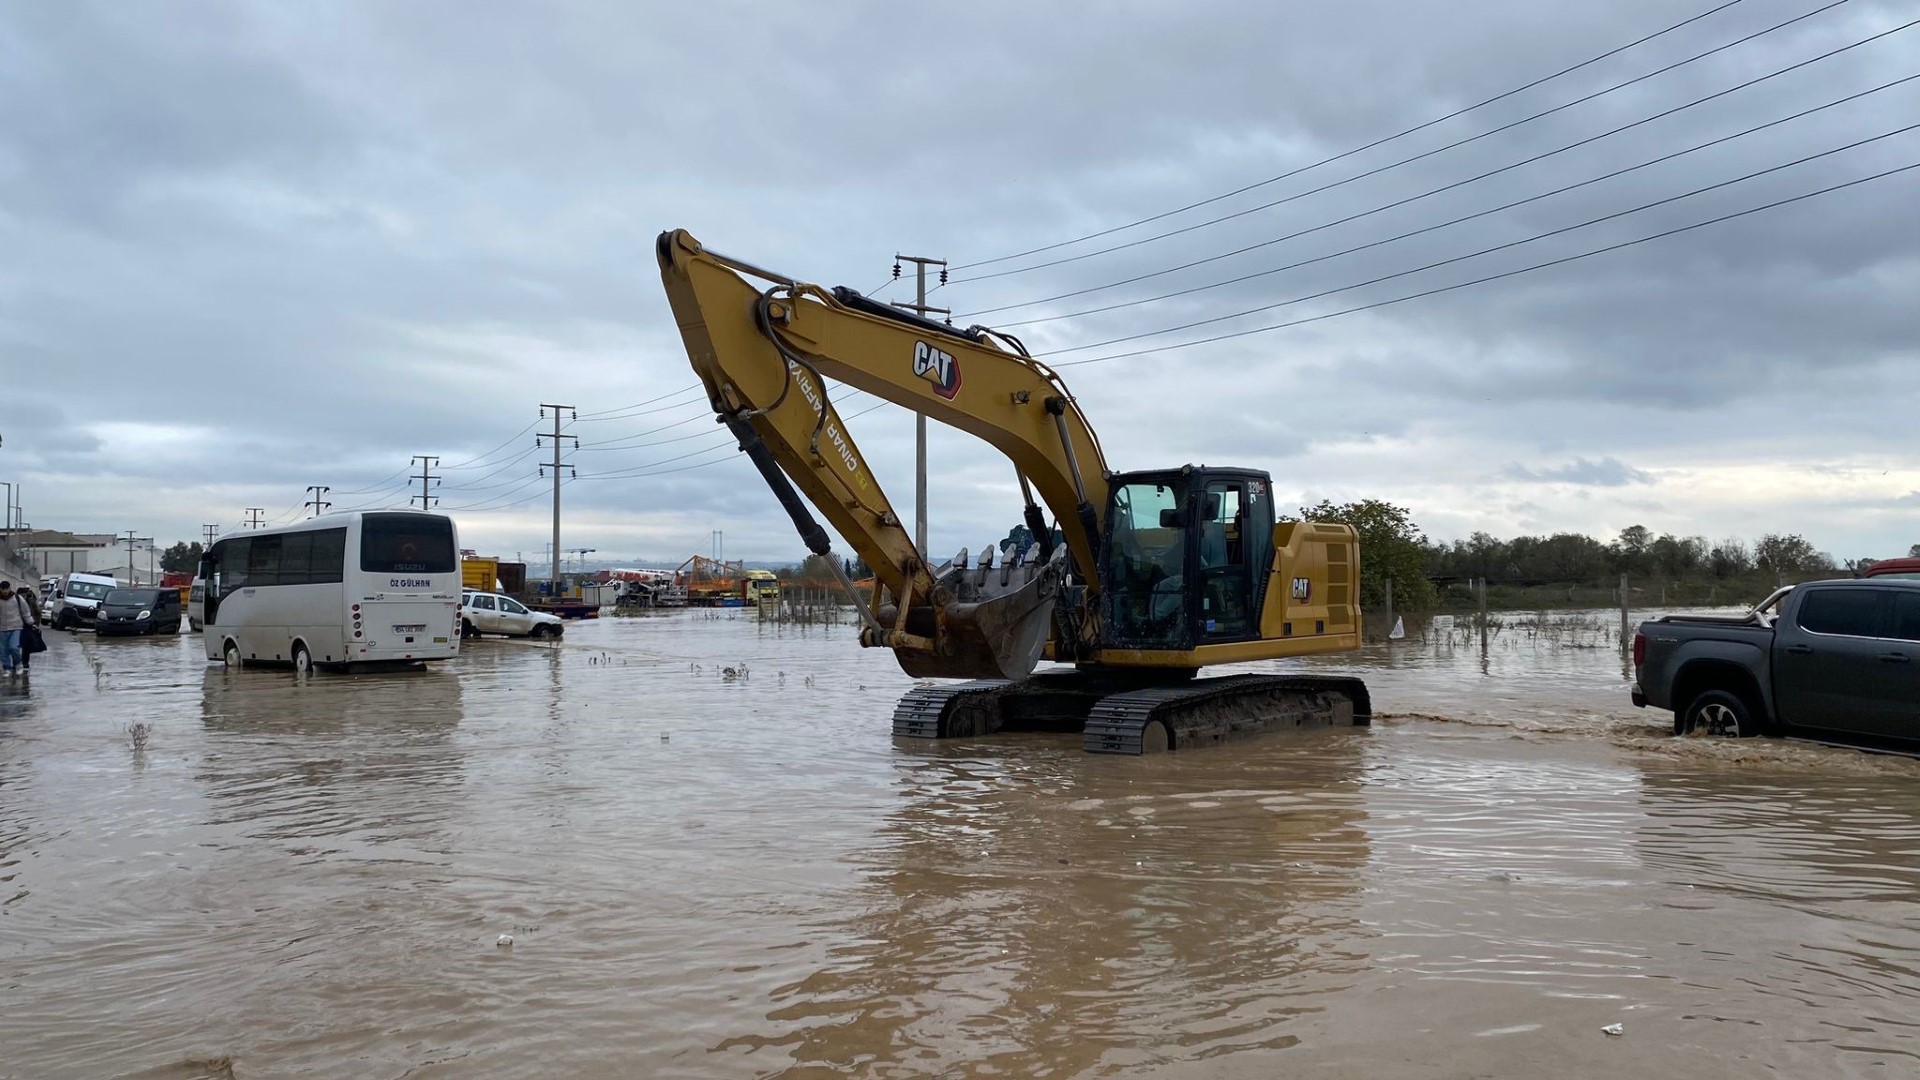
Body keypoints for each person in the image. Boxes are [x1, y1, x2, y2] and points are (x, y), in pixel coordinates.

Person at [0, 579, 36, 678]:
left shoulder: (17, 598)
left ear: (9, 588)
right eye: (3, 589)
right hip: (2, 628)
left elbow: (26, 612)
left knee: (13, 647)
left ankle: (18, 664)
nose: (5, 591)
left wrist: (31, 622)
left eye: (6, 589)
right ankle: (7, 668)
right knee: (3, 650)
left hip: (16, 627)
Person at [14, 581, 41, 671]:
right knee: (15, 645)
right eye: (22, 595)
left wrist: (35, 624)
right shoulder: (14, 602)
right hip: (16, 625)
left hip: (27, 625)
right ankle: (16, 663)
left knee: (26, 645)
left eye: (25, 595)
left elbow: (37, 613)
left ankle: (25, 662)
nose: (24, 597)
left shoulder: (31, 602)